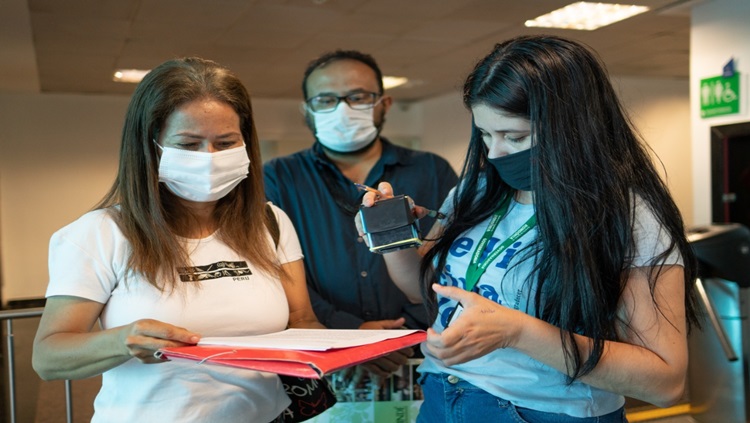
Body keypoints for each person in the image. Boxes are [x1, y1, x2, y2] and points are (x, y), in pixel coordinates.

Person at [357, 35, 700, 422]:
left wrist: (518, 332)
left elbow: (665, 381)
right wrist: (391, 234)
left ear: (572, 129)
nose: (494, 153)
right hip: (443, 397)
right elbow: (426, 292)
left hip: (543, 412)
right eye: (484, 135)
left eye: (515, 137)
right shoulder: (476, 190)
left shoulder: (628, 213)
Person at [32, 57, 325, 423]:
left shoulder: (270, 222)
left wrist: (350, 344)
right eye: (188, 144)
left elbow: (303, 323)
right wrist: (122, 341)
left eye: (225, 142)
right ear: (150, 147)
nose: (209, 159)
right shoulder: (100, 233)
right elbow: (48, 357)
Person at [263, 50, 458, 380]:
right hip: (322, 353)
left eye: (358, 96)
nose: (343, 109)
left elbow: (452, 260)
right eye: (326, 99)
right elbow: (273, 267)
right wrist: (350, 333)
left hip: (422, 355)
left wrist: (402, 333)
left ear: (384, 103)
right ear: (306, 110)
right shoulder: (280, 177)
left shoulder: (432, 170)